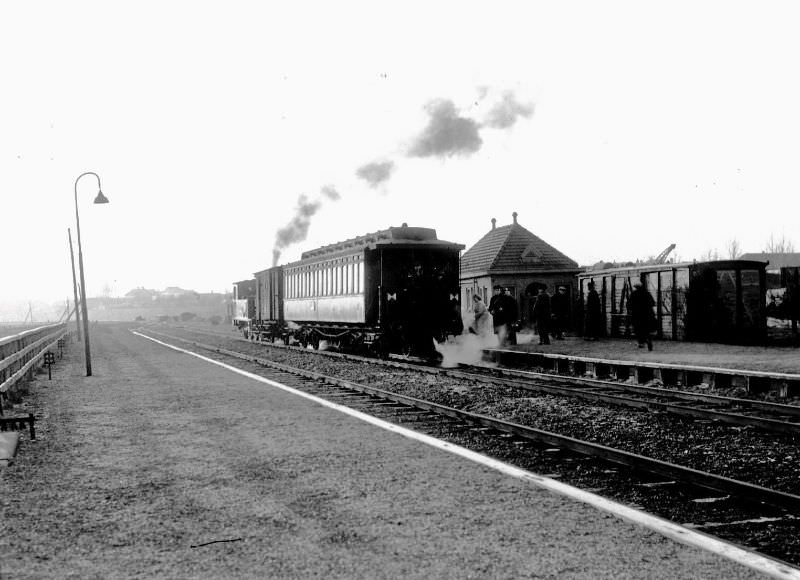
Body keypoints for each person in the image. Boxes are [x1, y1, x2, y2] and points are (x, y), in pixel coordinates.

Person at [629, 282, 655, 350]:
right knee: (646, 329)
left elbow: (629, 304)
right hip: (647, 315)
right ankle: (648, 340)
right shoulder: (647, 293)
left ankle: (641, 343)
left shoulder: (634, 294)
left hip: (637, 315)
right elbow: (653, 303)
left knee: (638, 330)